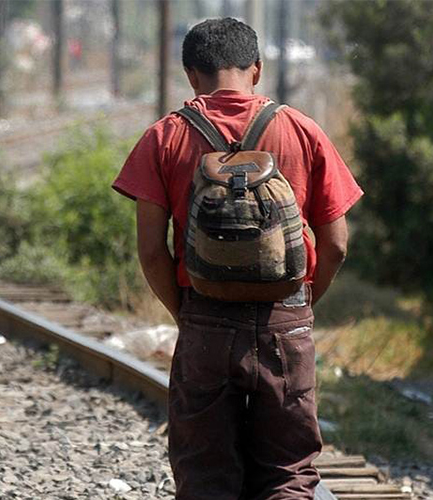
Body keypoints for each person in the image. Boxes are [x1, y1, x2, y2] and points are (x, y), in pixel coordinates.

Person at [112, 18, 362, 500]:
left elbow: (150, 250)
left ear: (191, 75)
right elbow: (336, 244)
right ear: (258, 69)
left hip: (203, 316)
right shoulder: (300, 130)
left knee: (205, 475)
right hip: (284, 318)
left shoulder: (164, 137)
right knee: (288, 473)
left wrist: (184, 312)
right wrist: (301, 306)